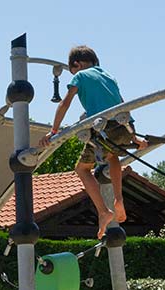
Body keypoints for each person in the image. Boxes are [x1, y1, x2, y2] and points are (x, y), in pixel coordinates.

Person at [39, 45, 148, 239]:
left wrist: (53, 131)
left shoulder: (80, 76)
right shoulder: (108, 75)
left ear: (76, 65)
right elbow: (122, 104)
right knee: (113, 155)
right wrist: (134, 137)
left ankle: (103, 211)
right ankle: (118, 198)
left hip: (103, 127)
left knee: (82, 169)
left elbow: (65, 103)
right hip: (124, 126)